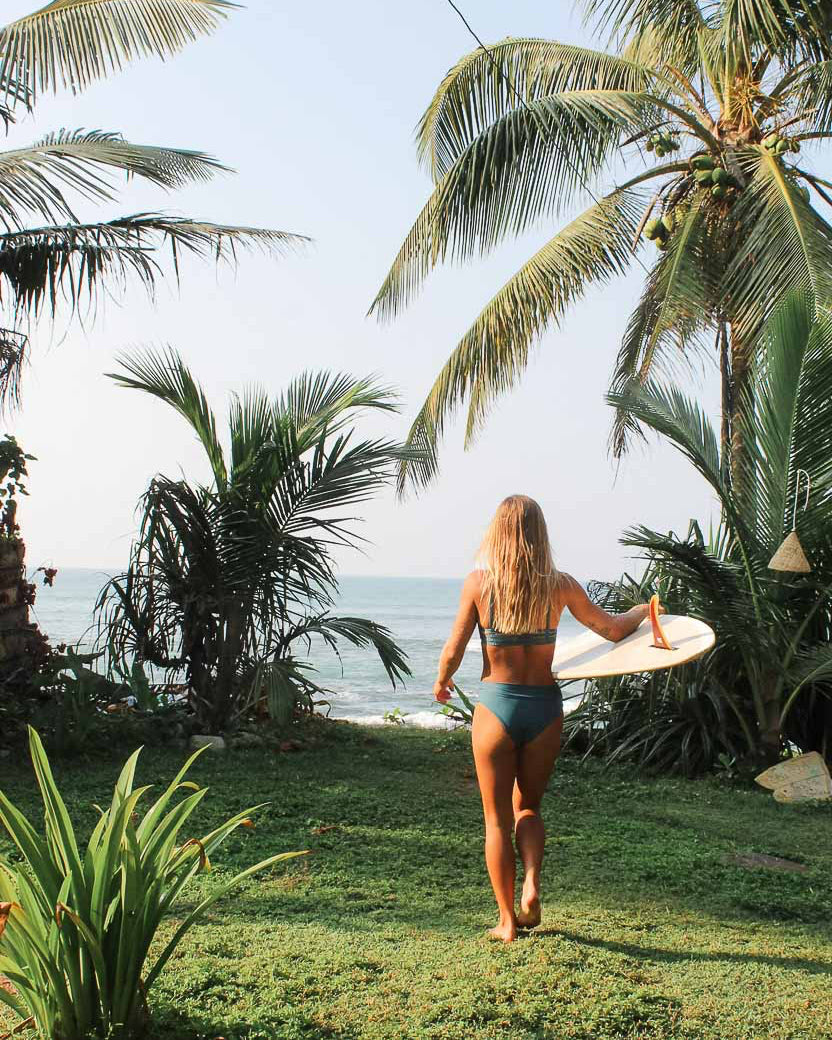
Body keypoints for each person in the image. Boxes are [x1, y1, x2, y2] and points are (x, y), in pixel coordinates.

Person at [433, 495, 653, 943]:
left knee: (496, 820)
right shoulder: (561, 585)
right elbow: (612, 629)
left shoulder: (479, 584)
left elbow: (454, 648)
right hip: (545, 710)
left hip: (496, 707)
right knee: (528, 806)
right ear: (540, 533)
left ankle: (507, 922)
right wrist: (642, 612)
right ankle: (532, 882)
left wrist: (443, 680)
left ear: (497, 533)